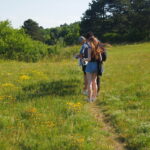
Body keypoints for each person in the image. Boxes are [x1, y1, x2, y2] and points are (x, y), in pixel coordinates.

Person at [83, 34, 106, 102]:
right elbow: (101, 58)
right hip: (96, 66)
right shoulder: (97, 48)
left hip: (89, 65)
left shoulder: (88, 48)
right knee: (95, 82)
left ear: (89, 41)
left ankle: (89, 98)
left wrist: (83, 59)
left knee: (89, 82)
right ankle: (94, 97)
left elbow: (88, 59)